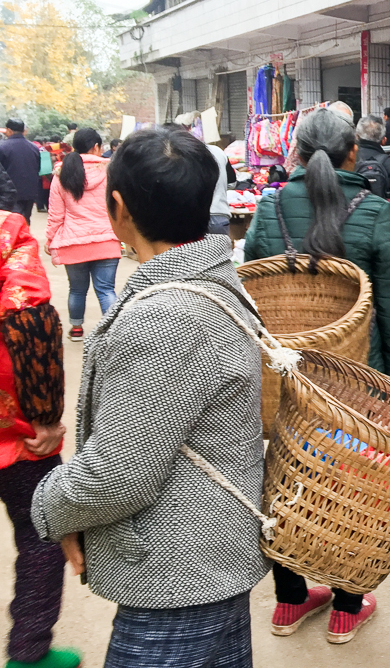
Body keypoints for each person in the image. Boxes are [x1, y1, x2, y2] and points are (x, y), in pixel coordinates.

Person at [31, 126, 269, 668]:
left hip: (176, 575)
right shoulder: (214, 282)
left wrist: (47, 506)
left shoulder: (163, 317)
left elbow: (116, 475)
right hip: (208, 562)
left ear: (118, 208)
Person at [245, 108, 390, 640]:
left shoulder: (269, 207)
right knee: (352, 486)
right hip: (358, 379)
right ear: (353, 154)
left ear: (294, 154)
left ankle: (290, 600)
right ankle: (346, 605)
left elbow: (251, 291)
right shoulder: (377, 210)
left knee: (287, 479)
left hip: (287, 379)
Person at [0, 209, 76, 668]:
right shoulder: (6, 230)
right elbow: (30, 320)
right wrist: (46, 418)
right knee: (40, 534)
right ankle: (29, 655)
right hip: (16, 432)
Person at [46, 128, 121, 342]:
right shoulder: (110, 172)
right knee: (106, 289)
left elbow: (56, 214)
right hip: (106, 239)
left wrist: (51, 238)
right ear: (96, 147)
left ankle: (77, 329)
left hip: (73, 242)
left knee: (77, 290)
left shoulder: (62, 174)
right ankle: (112, 332)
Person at [355, 114, 390, 212]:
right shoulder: (389, 163)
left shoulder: (349, 159)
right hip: (382, 220)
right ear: (383, 140)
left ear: (357, 136)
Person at [0, 120, 46, 224]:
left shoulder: (3, 147)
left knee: (11, 223)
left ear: (9, 130)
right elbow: (38, 168)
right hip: (30, 192)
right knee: (25, 220)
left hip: (10, 192)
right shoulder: (34, 148)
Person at [35, 137, 52, 213]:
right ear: (43, 142)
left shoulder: (35, 148)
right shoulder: (45, 150)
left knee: (39, 190)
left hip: (37, 172)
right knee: (46, 191)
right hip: (46, 172)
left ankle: (40, 206)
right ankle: (47, 205)